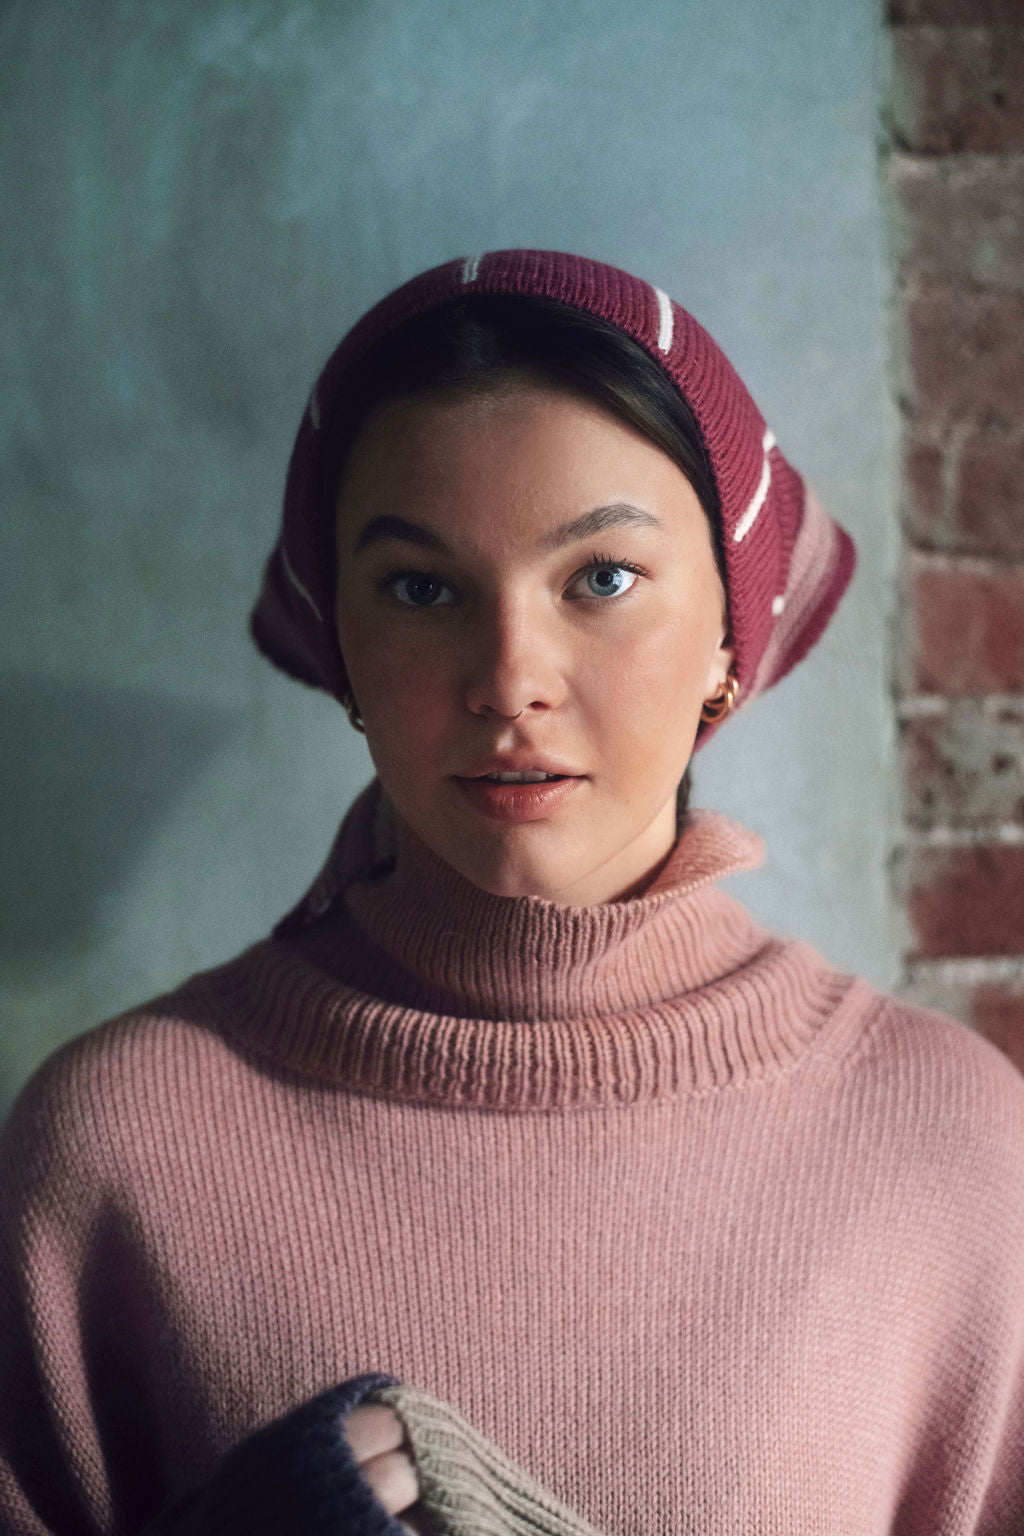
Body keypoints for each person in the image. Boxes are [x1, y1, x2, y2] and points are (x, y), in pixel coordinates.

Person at [2, 248, 1023, 1536]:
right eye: (422, 589)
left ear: (729, 635)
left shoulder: (952, 1144)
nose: (508, 678)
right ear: (344, 643)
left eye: (601, 580)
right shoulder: (113, 1143)